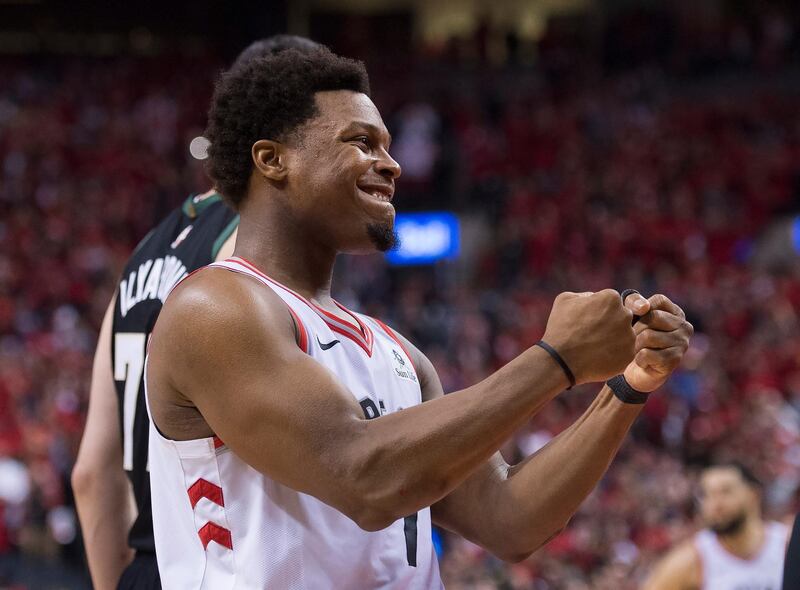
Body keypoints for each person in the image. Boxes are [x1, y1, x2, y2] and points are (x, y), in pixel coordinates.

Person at [145, 46, 693, 588]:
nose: (393, 162)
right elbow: (365, 479)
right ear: (273, 160)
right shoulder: (211, 308)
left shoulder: (397, 352)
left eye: (386, 144)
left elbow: (510, 520)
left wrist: (630, 385)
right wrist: (554, 361)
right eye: (361, 142)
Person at [71, 34, 321, 590]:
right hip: (224, 566)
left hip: (145, 567)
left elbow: (92, 473)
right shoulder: (258, 244)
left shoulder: (141, 255)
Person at [643, 462, 789, 590]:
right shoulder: (691, 560)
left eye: (726, 492)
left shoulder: (787, 544)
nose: (715, 504)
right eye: (707, 495)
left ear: (753, 495)